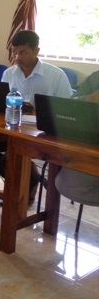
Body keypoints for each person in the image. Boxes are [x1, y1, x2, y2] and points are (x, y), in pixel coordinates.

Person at [0, 30, 73, 204]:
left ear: (36, 51)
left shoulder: (56, 76)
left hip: (42, 134)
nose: (18, 57)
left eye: (23, 52)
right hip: (13, 129)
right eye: (15, 52)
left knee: (13, 155)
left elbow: (67, 112)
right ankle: (31, 180)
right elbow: (1, 103)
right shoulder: (9, 73)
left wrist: (37, 111)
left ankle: (20, 190)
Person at [54, 69, 99, 205]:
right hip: (92, 147)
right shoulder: (96, 78)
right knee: (66, 183)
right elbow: (71, 103)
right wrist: (89, 98)